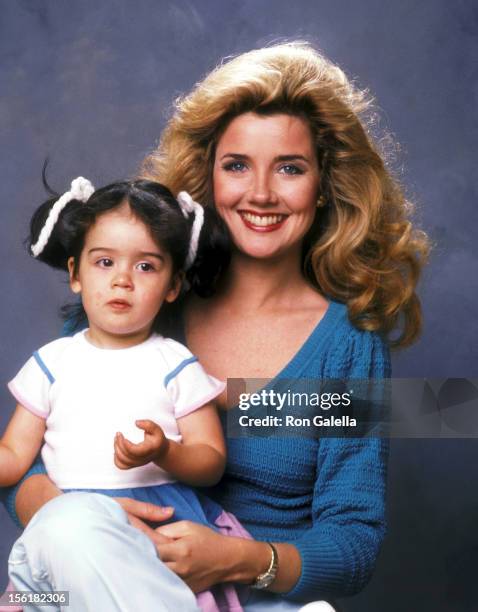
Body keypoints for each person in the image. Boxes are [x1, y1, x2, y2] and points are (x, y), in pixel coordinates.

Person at [1, 42, 429, 611]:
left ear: (324, 184)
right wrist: (78, 518)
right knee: (66, 536)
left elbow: (351, 540)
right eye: (236, 166)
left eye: (290, 168)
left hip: (246, 591)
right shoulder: (144, 293)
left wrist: (238, 560)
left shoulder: (347, 346)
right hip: (95, 569)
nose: (260, 193)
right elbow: (27, 453)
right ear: (207, 175)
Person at [1, 178, 252, 611]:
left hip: (159, 526)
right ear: (75, 274)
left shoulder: (176, 363)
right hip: (67, 529)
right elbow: (13, 458)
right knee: (49, 592)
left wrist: (165, 453)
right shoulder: (51, 362)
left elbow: (211, 460)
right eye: (104, 263)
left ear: (173, 285)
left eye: (146, 267)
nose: (122, 280)